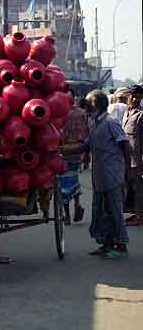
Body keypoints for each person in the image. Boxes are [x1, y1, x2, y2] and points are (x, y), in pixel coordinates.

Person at [62, 90, 131, 259]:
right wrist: (60, 150)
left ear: (95, 104)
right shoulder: (95, 124)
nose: (86, 107)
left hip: (112, 175)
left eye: (88, 104)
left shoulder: (110, 122)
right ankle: (107, 244)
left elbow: (125, 145)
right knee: (102, 211)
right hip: (100, 176)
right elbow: (85, 146)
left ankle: (121, 246)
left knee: (114, 211)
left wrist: (128, 171)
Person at [59, 90, 89, 225]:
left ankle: (67, 214)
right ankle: (77, 203)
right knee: (74, 179)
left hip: (63, 151)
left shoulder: (59, 113)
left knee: (63, 184)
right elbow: (87, 134)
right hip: (77, 152)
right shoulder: (81, 113)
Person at [122, 84, 143, 226]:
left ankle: (140, 216)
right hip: (125, 158)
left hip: (138, 160)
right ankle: (135, 213)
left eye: (139, 97)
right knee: (128, 188)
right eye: (133, 96)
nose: (135, 99)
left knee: (138, 188)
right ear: (128, 96)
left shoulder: (141, 114)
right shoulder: (126, 113)